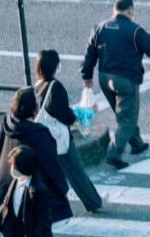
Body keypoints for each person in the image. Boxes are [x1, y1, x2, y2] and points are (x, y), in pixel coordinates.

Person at [80, 0, 150, 168]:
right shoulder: (134, 29)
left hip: (104, 78)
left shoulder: (99, 27)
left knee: (124, 114)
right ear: (130, 11)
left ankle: (137, 143)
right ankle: (114, 153)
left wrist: (87, 75)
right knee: (128, 117)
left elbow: (89, 54)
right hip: (125, 80)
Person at [34, 50, 102, 214]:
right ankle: (93, 201)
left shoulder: (37, 86)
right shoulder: (55, 87)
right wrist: (75, 114)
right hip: (58, 137)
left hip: (43, 137)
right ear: (54, 66)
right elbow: (64, 115)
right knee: (75, 171)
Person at [0, 87, 72, 221]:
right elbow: (51, 163)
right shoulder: (38, 133)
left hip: (7, 184)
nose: (40, 99)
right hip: (31, 191)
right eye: (36, 98)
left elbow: (0, 148)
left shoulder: (7, 123)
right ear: (31, 106)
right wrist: (63, 188)